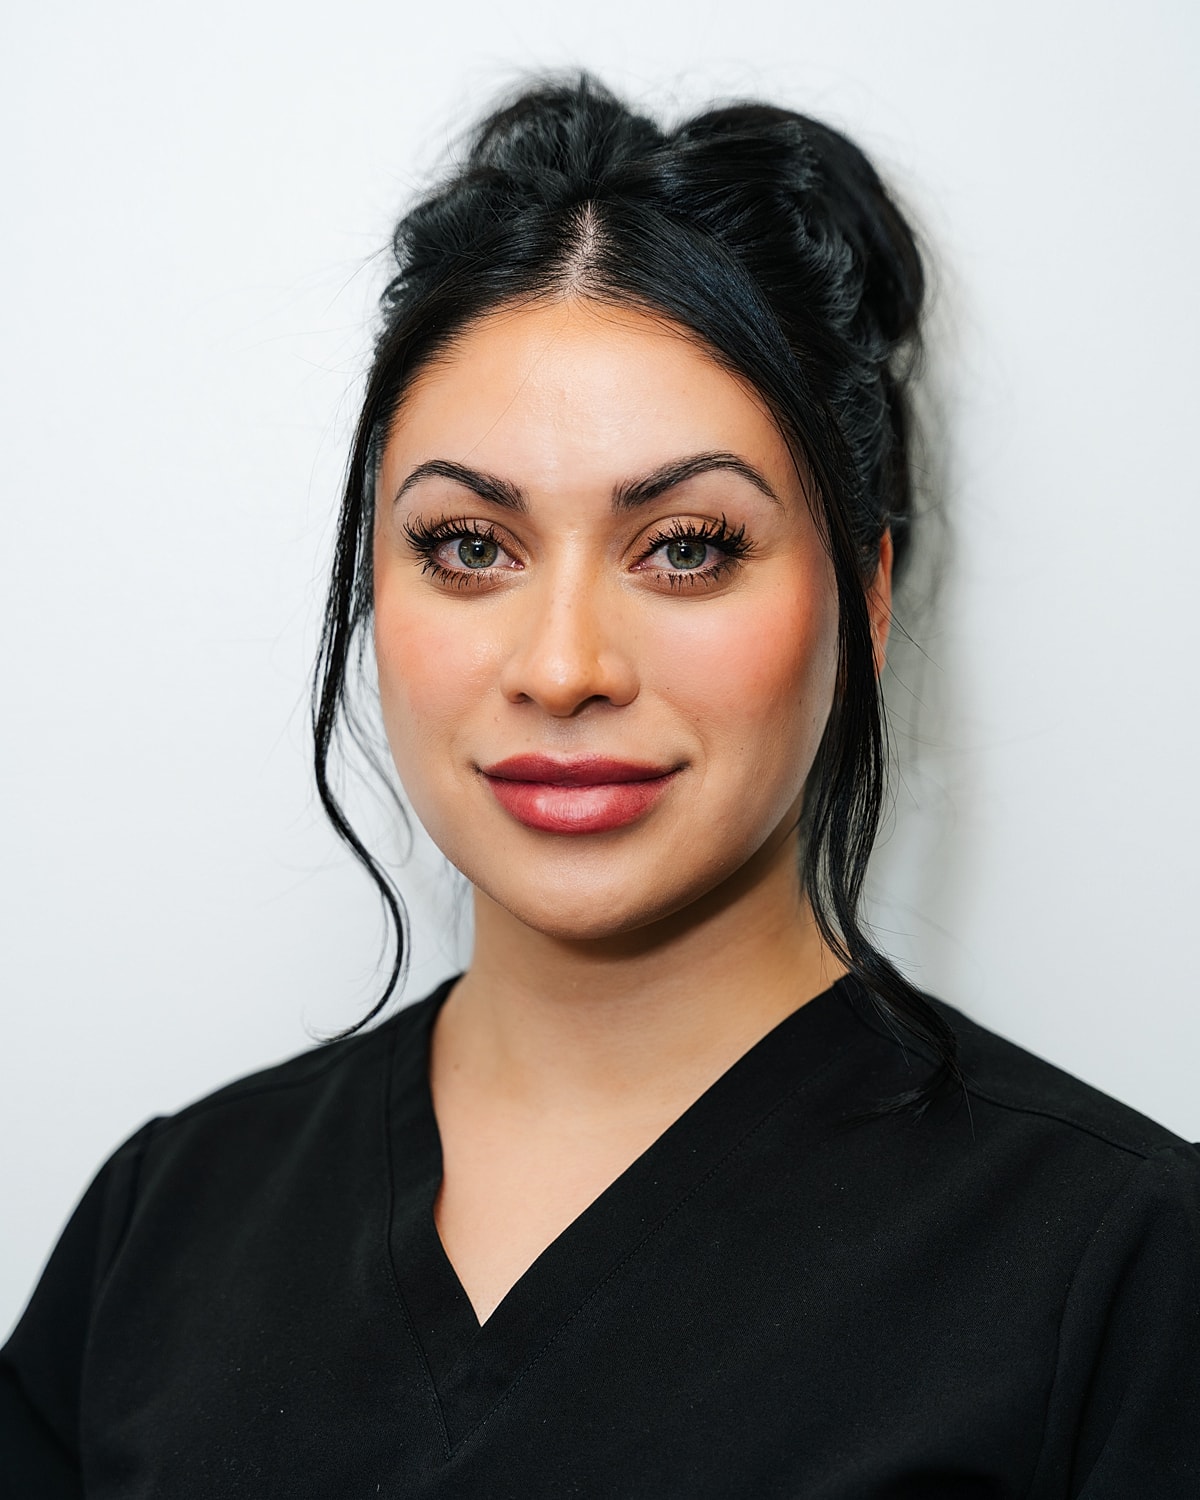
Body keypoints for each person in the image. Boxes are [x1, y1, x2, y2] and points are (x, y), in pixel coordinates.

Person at [2, 72, 1198, 1499]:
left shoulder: (1121, 1272)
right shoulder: (167, 1227)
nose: (562, 666)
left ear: (864, 599)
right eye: (469, 546)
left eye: (687, 545)